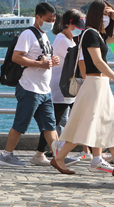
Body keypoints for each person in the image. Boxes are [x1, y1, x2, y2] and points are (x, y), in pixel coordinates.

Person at [51, 0, 114, 177]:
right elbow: (98, 62)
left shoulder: (98, 35)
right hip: (94, 84)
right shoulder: (91, 34)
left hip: (100, 84)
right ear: (96, 14)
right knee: (86, 124)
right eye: (105, 14)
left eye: (108, 14)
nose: (107, 18)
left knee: (109, 122)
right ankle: (61, 157)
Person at [0, 2, 75, 168]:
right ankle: (6, 155)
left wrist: (53, 60)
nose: (51, 23)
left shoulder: (44, 36)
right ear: (37, 17)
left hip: (44, 89)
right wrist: (40, 64)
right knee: (21, 124)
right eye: (47, 19)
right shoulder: (28, 34)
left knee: (50, 125)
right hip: (29, 88)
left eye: (53, 20)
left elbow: (43, 58)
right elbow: (17, 57)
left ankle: (58, 156)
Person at [36, 10, 94, 163]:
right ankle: (41, 153)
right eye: (76, 25)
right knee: (54, 121)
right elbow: (77, 61)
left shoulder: (70, 39)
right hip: (61, 88)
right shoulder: (62, 40)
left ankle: (87, 151)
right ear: (68, 24)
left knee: (70, 119)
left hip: (68, 87)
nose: (79, 29)